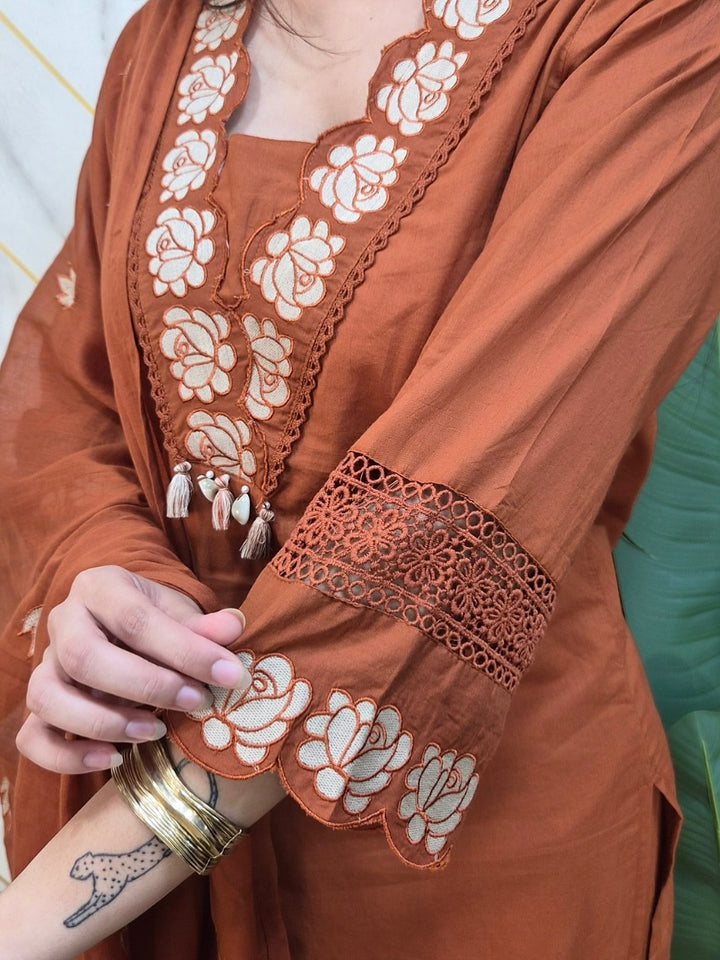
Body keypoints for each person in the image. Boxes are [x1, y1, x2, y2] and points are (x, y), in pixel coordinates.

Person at [0, 0, 719, 957]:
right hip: (139, 790)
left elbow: (444, 542)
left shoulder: (653, 31)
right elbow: (70, 389)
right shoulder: (169, 34)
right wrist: (107, 578)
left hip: (458, 858)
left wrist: (28, 925)